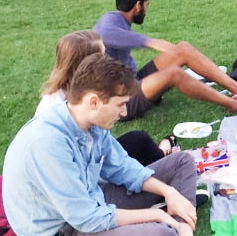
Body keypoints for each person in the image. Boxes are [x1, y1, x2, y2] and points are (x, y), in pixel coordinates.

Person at [3, 53, 225, 236]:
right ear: (94, 102)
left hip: (95, 200)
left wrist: (169, 192)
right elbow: (86, 219)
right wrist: (156, 215)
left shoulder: (90, 123)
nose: (124, 112)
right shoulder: (47, 144)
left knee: (182, 161)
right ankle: (167, 227)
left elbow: (124, 168)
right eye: (120, 104)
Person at [94, 0, 237, 121]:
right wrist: (149, 42)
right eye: (147, 5)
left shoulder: (117, 20)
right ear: (138, 6)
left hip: (133, 80)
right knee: (174, 74)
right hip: (122, 100)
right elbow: (105, 33)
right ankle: (236, 105)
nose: (146, 10)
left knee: (183, 49)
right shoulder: (109, 21)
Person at [36, 30, 173, 165]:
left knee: (139, 141)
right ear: (87, 64)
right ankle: (164, 154)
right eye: (103, 56)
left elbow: (103, 144)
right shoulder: (57, 111)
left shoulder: (80, 92)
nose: (108, 60)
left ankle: (162, 156)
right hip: (83, 169)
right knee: (139, 148)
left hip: (93, 160)